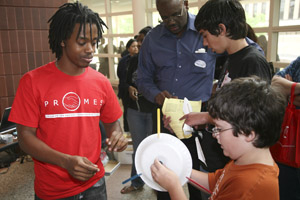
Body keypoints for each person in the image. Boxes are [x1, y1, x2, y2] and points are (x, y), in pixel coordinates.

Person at [8, 2, 128, 199]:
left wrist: (117, 136)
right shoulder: (32, 81)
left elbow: (113, 125)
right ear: (63, 40)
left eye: (94, 41)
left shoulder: (101, 82)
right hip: (53, 189)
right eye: (82, 42)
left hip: (95, 184)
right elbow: (25, 138)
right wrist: (65, 161)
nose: (90, 49)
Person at [151, 76, 286, 200]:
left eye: (219, 129)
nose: (215, 135)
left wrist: (174, 187)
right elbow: (216, 182)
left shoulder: (249, 186)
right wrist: (179, 168)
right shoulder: (243, 161)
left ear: (249, 134)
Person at [174, 0, 272, 149]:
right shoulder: (230, 58)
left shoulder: (253, 62)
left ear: (221, 29)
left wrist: (206, 117)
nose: (205, 43)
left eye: (205, 36)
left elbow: (251, 119)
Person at [120, 26, 154, 194]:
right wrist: (129, 88)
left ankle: (158, 183)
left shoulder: (161, 60)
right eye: (138, 40)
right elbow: (125, 82)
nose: (139, 44)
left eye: (143, 40)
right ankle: (136, 182)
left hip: (155, 112)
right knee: (139, 148)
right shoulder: (134, 60)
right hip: (136, 111)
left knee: (155, 147)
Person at [271, 56, 300, 200]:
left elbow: (282, 87)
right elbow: (275, 83)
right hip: (291, 140)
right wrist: (295, 89)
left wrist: (290, 87)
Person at [117, 39, 139, 132]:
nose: (136, 48)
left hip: (137, 90)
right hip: (125, 89)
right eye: (133, 46)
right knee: (127, 111)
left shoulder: (140, 59)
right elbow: (120, 75)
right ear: (128, 48)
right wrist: (127, 86)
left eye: (137, 46)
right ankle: (127, 130)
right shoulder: (123, 61)